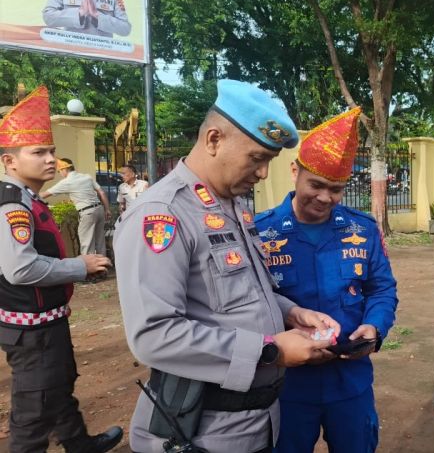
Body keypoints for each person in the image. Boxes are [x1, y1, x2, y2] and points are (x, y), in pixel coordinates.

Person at [114, 80, 342, 453]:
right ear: (214, 140)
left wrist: (292, 313)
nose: (264, 173)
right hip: (201, 431)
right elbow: (153, 335)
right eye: (257, 158)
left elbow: (243, 292)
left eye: (269, 160)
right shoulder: (162, 215)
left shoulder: (231, 206)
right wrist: (271, 351)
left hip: (254, 423)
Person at [254, 107, 398, 453]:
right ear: (294, 172)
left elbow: (381, 288)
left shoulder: (361, 229)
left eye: (336, 189)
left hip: (349, 380)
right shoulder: (259, 232)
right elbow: (251, 301)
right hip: (286, 384)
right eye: (315, 184)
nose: (324, 198)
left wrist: (375, 327)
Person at [0, 86, 121, 453]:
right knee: (33, 411)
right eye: (39, 152)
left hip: (44, 319)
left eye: (51, 151)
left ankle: (79, 444)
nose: (50, 159)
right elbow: (20, 269)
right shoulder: (11, 205)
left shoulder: (27, 197)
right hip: (30, 328)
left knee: (59, 384)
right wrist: (78, 266)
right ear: (10, 161)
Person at [41, 157, 111, 256]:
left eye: (59, 171)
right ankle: (103, 268)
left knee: (87, 243)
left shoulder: (67, 182)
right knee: (100, 242)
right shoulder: (86, 177)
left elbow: (44, 194)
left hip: (87, 213)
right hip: (99, 210)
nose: (60, 174)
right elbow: (101, 192)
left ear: (64, 169)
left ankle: (91, 270)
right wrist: (107, 209)